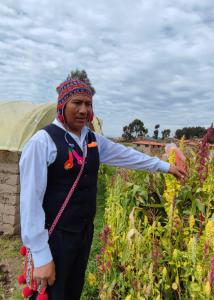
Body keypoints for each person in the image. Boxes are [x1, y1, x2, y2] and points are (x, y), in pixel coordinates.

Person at [19, 78, 186, 300]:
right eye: (76, 102)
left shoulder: (92, 140)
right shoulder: (43, 142)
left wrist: (166, 166)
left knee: (71, 292)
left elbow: (128, 156)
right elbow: (30, 202)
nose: (83, 110)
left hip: (83, 234)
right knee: (51, 294)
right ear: (62, 105)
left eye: (88, 104)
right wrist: (40, 255)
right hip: (54, 237)